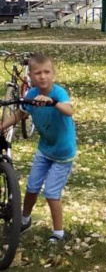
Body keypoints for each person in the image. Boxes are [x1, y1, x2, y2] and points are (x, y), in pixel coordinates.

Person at [0, 54, 76, 243]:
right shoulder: (31, 95)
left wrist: (53, 103)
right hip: (44, 150)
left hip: (63, 153)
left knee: (51, 193)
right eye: (37, 73)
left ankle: (58, 233)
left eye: (46, 72)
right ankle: (24, 219)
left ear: (53, 74)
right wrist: (2, 126)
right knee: (32, 187)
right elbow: (20, 114)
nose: (42, 77)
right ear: (31, 77)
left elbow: (69, 110)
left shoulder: (59, 93)